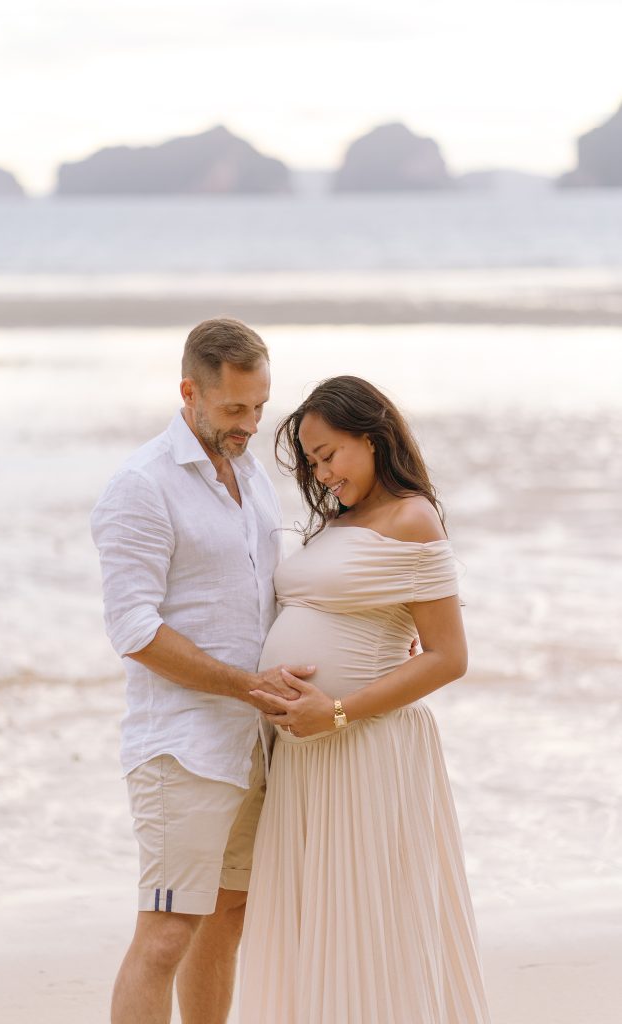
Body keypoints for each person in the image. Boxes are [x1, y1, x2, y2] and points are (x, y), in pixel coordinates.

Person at [239, 375, 492, 1024]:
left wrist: (339, 710)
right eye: (311, 463)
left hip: (362, 750)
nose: (320, 474)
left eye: (328, 455)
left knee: (367, 925)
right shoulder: (339, 523)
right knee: (316, 926)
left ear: (373, 437)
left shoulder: (413, 518)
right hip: (305, 758)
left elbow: (447, 656)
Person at [90, 318, 314, 1024]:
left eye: (258, 407)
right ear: (189, 392)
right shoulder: (140, 486)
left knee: (227, 917)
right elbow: (133, 630)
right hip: (180, 748)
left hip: (254, 745)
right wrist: (245, 684)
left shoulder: (251, 475)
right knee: (164, 937)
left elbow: (276, 592)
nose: (249, 424)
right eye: (233, 409)